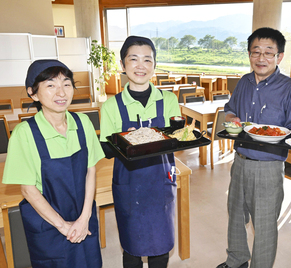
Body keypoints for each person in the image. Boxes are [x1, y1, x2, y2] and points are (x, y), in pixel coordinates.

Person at [218, 27, 291, 268]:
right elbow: (230, 107)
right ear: (249, 54)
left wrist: (275, 135)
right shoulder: (244, 82)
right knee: (235, 216)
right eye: (256, 52)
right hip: (240, 161)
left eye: (269, 52)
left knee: (264, 226)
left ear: (279, 57)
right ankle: (236, 259)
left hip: (269, 166)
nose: (261, 58)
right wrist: (232, 117)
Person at [2, 60, 104, 267]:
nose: (61, 93)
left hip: (83, 216)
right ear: (33, 93)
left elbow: (90, 171)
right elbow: (28, 190)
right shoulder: (24, 134)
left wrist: (85, 217)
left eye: (66, 84)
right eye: (50, 85)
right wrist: (64, 226)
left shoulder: (83, 123)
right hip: (48, 223)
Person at [99, 36, 181, 268]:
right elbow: (107, 149)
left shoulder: (169, 100)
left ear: (154, 65)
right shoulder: (111, 106)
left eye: (147, 59)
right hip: (128, 183)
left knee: (161, 243)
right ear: (123, 65)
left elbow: (176, 139)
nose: (140, 65)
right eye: (133, 59)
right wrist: (125, 140)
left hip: (161, 180)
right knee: (132, 247)